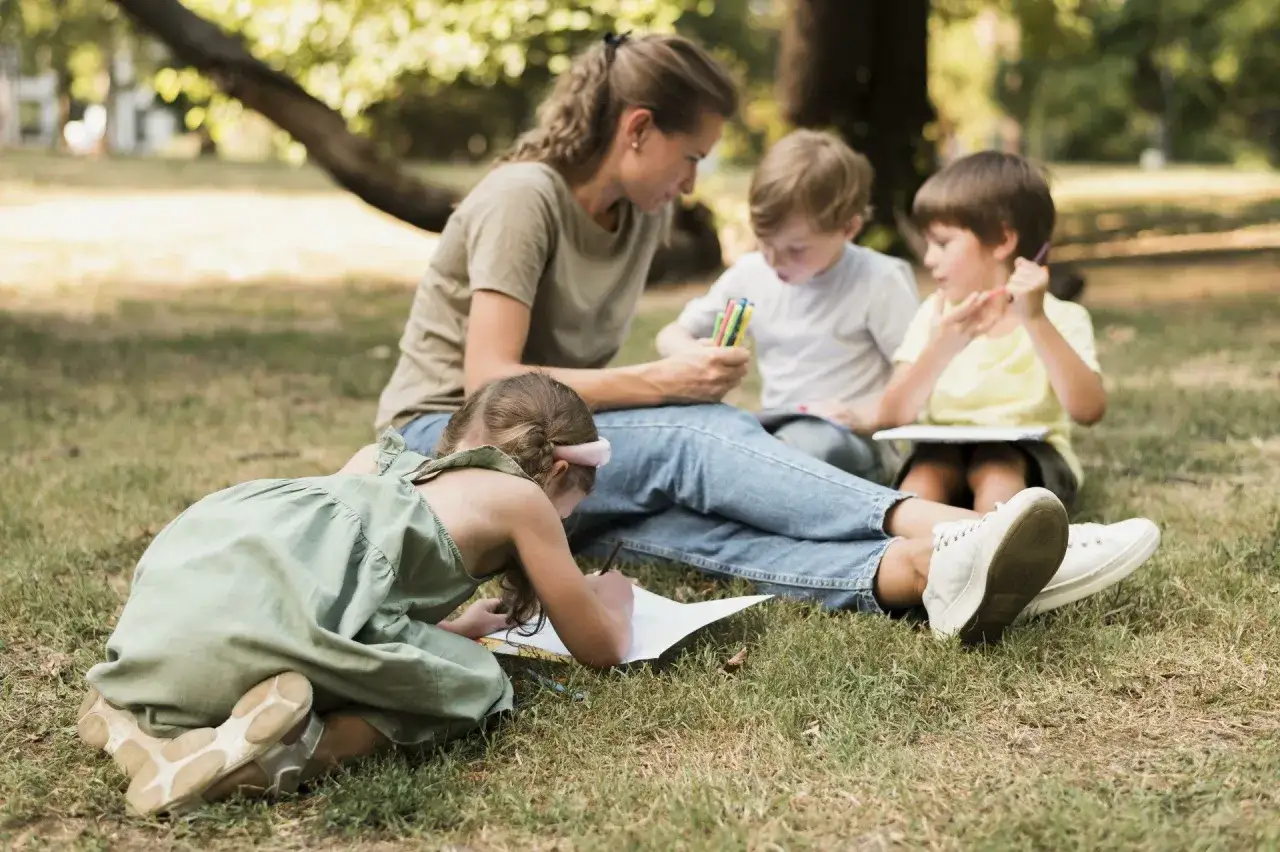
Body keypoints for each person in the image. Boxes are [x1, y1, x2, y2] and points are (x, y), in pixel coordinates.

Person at [374, 32, 1159, 649]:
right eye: (692, 158)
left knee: (680, 530)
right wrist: (664, 383)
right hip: (449, 441)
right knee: (697, 434)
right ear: (638, 131)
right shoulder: (524, 199)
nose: (691, 183)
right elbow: (490, 378)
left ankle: (920, 573)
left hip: (553, 450)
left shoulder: (639, 217)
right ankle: (960, 531)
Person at [77, 373, 636, 817]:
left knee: (429, 651)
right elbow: (600, 648)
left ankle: (135, 724)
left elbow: (327, 582)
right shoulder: (521, 497)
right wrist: (612, 600)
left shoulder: (377, 461)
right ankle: (277, 758)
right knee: (478, 682)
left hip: (181, 616)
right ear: (559, 471)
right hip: (249, 637)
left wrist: (452, 629)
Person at [655, 129, 919, 485]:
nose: (774, 260)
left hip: (852, 442)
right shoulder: (752, 274)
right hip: (777, 430)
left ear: (849, 228)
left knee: (810, 450)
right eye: (764, 242)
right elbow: (670, 335)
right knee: (697, 437)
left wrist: (865, 413)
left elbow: (917, 379)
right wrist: (693, 353)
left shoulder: (879, 280)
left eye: (795, 249)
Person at [879, 152, 1106, 513]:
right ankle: (923, 554)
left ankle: (994, 551)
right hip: (940, 452)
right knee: (923, 480)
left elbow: (1089, 409)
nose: (928, 259)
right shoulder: (934, 316)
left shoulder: (1061, 318)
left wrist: (1035, 320)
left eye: (942, 243)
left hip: (1028, 459)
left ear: (1002, 240)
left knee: (997, 468)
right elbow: (891, 414)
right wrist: (942, 346)